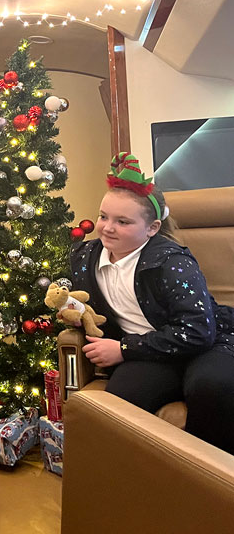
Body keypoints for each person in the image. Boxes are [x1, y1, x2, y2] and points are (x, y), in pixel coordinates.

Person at [70, 152, 234, 453]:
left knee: (213, 387)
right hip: (152, 355)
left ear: (152, 228)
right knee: (120, 399)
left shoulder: (172, 262)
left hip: (206, 345)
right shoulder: (84, 259)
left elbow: (199, 331)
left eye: (122, 221)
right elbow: (81, 305)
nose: (107, 227)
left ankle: (214, 478)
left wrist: (123, 349)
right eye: (103, 216)